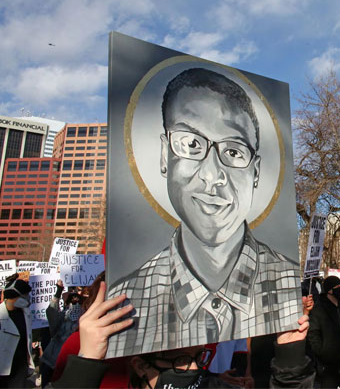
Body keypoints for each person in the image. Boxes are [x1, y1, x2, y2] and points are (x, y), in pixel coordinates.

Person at [107, 68, 300, 357]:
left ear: (256, 171)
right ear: (165, 155)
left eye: (234, 152)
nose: (212, 175)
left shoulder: (290, 287)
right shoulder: (123, 305)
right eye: (191, 144)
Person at [49, 281, 315, 389]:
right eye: (178, 361)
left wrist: (290, 355)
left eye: (199, 357)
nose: (191, 369)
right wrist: (87, 361)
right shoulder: (83, 346)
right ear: (140, 365)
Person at [39, 280, 81, 387]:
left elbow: (51, 310)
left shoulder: (85, 319)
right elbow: (51, 311)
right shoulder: (62, 317)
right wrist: (59, 291)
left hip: (67, 364)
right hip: (54, 362)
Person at [0, 274, 34, 388]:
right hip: (2, 370)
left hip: (20, 368)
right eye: (25, 295)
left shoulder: (26, 313)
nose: (28, 298)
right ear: (15, 297)